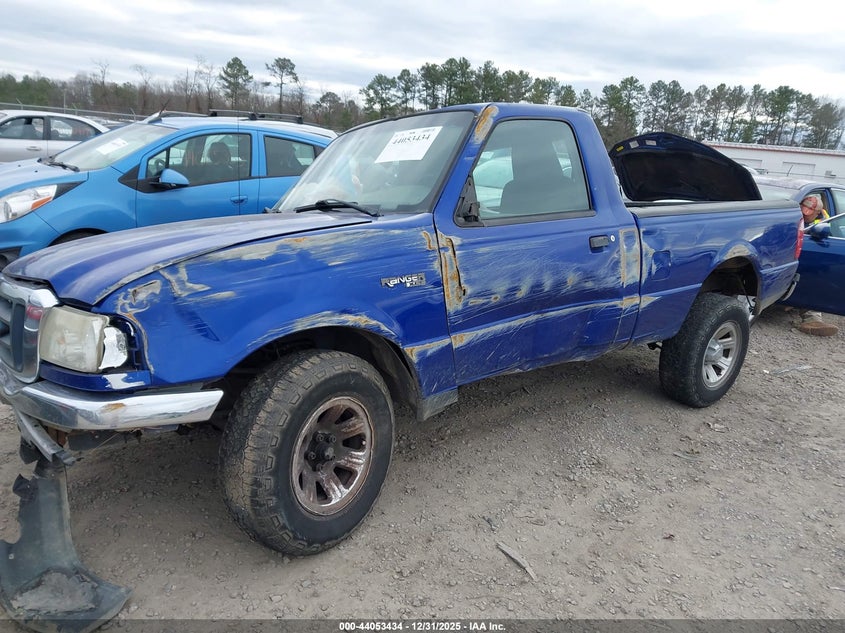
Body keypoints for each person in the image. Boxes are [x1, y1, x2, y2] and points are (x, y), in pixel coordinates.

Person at [794, 195, 838, 336]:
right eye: (802, 210)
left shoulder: (824, 222)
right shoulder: (794, 213)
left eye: (808, 214)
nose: (804, 215)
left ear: (817, 212)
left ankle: (812, 319)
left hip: (808, 260)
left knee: (813, 280)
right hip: (790, 256)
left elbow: (823, 246)